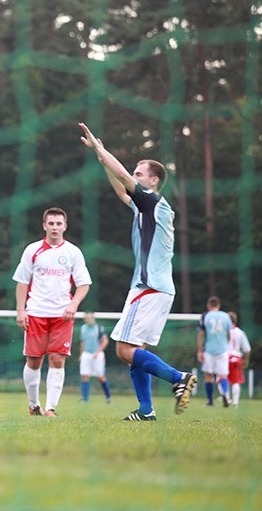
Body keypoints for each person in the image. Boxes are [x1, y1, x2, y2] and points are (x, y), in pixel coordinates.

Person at [79, 123, 197, 422]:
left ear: (154, 181)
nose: (134, 176)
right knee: (135, 350)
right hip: (155, 288)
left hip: (148, 287)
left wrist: (101, 149)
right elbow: (121, 189)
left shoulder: (154, 201)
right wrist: (100, 157)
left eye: (140, 173)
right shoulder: (145, 206)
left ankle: (178, 377)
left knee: (122, 349)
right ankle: (146, 410)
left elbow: (122, 177)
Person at [13, 207, 91, 417]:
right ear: (44, 225)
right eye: (51, 223)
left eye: (59, 224)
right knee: (34, 360)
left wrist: (73, 304)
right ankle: (33, 405)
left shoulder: (73, 252)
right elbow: (22, 282)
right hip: (36, 313)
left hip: (62, 315)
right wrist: (21, 311)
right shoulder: (32, 250)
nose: (55, 227)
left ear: (65, 226)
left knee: (57, 359)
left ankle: (51, 409)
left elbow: (84, 284)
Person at [197, 296, 232, 407]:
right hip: (223, 350)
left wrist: (199, 350)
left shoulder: (205, 316)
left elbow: (201, 334)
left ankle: (210, 401)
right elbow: (229, 334)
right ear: (219, 305)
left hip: (209, 350)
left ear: (208, 305)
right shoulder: (226, 316)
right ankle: (225, 394)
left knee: (208, 376)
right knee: (223, 376)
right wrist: (226, 344)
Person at [79, 311, 112, 403]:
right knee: (84, 375)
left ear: (93, 318)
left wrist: (98, 352)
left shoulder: (99, 327)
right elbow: (82, 342)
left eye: (90, 317)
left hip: (97, 355)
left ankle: (108, 396)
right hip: (86, 354)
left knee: (100, 377)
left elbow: (105, 341)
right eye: (87, 317)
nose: (89, 319)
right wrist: (81, 354)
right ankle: (85, 399)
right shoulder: (83, 328)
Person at [227, 311, 251, 407]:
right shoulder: (240, 332)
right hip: (236, 358)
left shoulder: (224, 332)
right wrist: (246, 360)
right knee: (235, 381)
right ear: (236, 320)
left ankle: (227, 398)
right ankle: (235, 402)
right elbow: (247, 349)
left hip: (225, 357)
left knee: (223, 379)